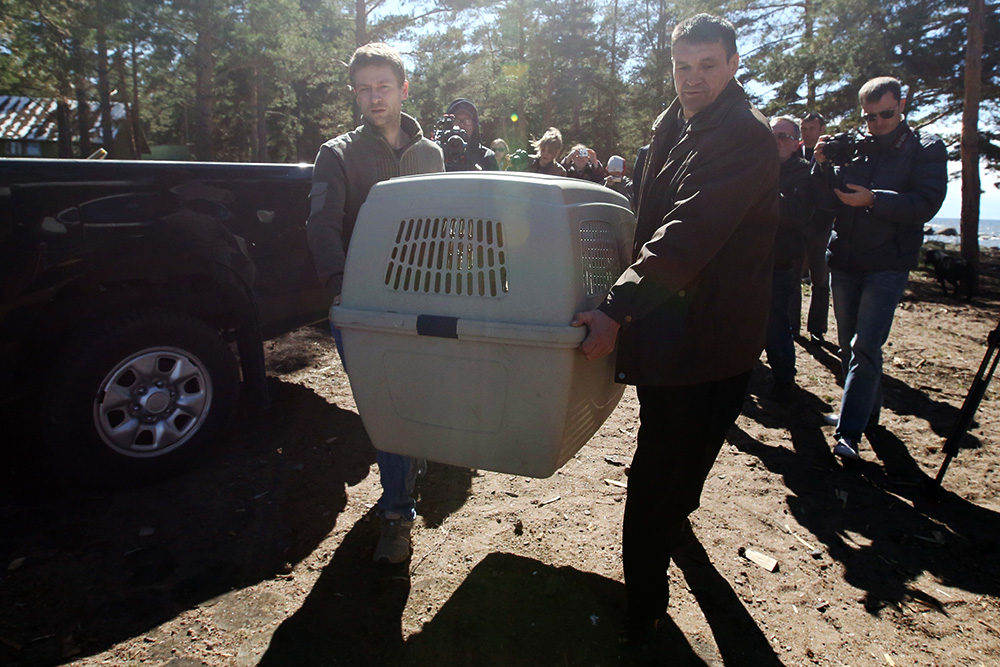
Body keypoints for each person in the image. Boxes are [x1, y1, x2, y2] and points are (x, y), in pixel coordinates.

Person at [571, 13, 779, 655]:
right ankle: (647, 600)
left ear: (734, 65)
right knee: (658, 471)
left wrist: (615, 308)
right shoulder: (672, 123)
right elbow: (647, 214)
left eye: (707, 65)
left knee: (675, 469)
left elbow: (687, 232)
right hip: (674, 334)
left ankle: (650, 589)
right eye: (683, 66)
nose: (693, 79)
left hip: (717, 338)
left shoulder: (743, 139)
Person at [306, 42, 445, 563]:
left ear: (403, 88)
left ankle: (407, 466)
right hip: (366, 306)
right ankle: (396, 514)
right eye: (363, 88)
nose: (373, 97)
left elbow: (447, 221)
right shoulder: (338, 154)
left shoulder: (429, 152)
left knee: (417, 396)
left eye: (383, 86)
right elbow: (321, 226)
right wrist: (343, 290)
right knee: (387, 405)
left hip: (427, 299)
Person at [812, 76, 947, 461]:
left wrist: (874, 201)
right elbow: (826, 201)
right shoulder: (856, 146)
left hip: (888, 263)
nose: (878, 123)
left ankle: (849, 432)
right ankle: (867, 412)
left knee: (865, 346)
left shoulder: (927, 148)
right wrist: (821, 166)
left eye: (885, 114)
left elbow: (925, 203)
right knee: (850, 346)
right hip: (845, 261)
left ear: (901, 105)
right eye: (869, 116)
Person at [766, 116, 814, 400]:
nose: (777, 141)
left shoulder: (806, 173)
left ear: (796, 143)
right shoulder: (758, 166)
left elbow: (797, 215)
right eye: (773, 135)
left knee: (777, 326)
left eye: (784, 136)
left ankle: (784, 380)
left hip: (781, 262)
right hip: (750, 259)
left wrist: (762, 191)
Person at [795, 111, 834, 342]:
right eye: (803, 128)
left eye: (811, 128)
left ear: (821, 129)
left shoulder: (830, 153)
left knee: (820, 279)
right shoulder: (793, 150)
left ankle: (817, 328)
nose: (806, 133)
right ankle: (792, 325)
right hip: (797, 223)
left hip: (820, 224)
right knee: (793, 277)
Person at [442, 98, 499, 171]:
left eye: (467, 120)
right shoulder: (437, 154)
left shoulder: (486, 157)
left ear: (474, 125)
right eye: (456, 120)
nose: (461, 125)